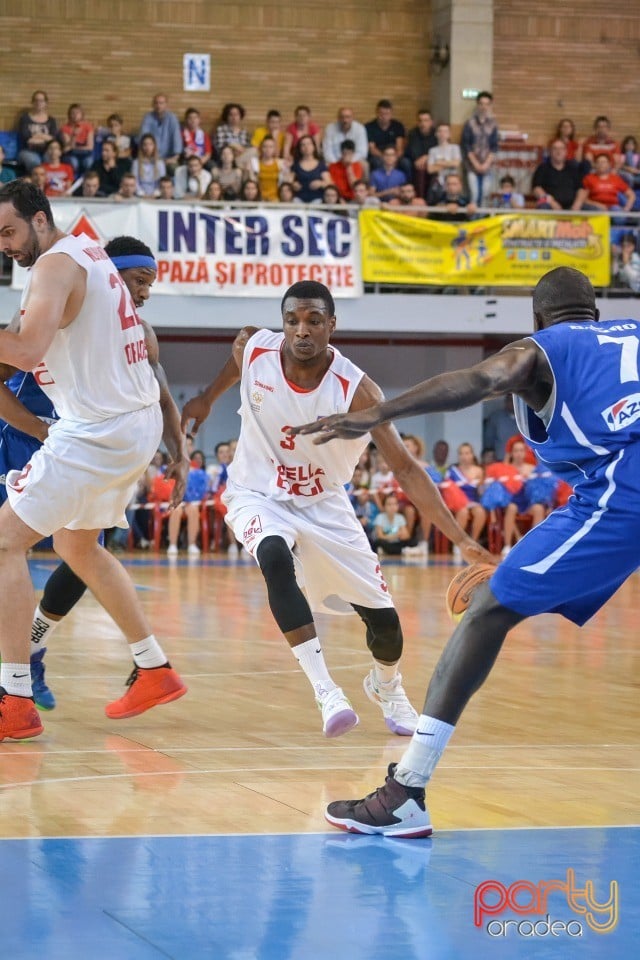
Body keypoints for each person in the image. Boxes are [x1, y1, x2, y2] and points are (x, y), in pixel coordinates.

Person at [295, 265, 640, 837]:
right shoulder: (630, 335)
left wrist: (380, 412)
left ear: (536, 318)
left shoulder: (541, 350)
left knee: (488, 611)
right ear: (597, 312)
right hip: (613, 485)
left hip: (623, 488)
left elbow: (481, 380)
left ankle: (407, 792)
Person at [181, 280, 493, 740]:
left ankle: (386, 686)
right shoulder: (254, 346)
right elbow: (232, 367)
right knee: (273, 557)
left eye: (312, 321)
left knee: (385, 628)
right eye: (292, 320)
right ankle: (326, 690)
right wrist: (206, 400)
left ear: (332, 324)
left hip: (325, 503)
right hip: (256, 492)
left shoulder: (356, 389)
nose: (301, 331)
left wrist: (463, 539)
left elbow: (405, 469)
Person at [0, 181, 188, 740]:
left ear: (39, 220)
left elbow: (28, 351)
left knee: (4, 541)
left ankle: (14, 699)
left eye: (9, 231)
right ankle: (153, 667)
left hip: (98, 430)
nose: (5, 245)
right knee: (75, 544)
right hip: (130, 424)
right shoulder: (89, 252)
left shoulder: (56, 265)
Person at [461, 91, 498, 206]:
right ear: (477, 105)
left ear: (490, 106)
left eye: (487, 104)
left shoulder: (493, 124)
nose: (484, 107)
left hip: (488, 165)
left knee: (485, 195)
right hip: (472, 165)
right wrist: (476, 164)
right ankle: (473, 221)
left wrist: (486, 164)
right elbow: (466, 145)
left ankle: (483, 221)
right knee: (474, 194)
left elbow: (494, 146)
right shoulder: (469, 123)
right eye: (481, 104)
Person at [139, 93, 182, 171]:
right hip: (150, 157)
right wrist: (151, 158)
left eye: (161, 103)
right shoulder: (147, 117)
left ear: (166, 105)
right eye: (156, 103)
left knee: (175, 169)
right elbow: (143, 138)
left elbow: (177, 139)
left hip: (169, 158)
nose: (159, 106)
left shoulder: (172, 118)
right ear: (153, 105)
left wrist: (174, 158)